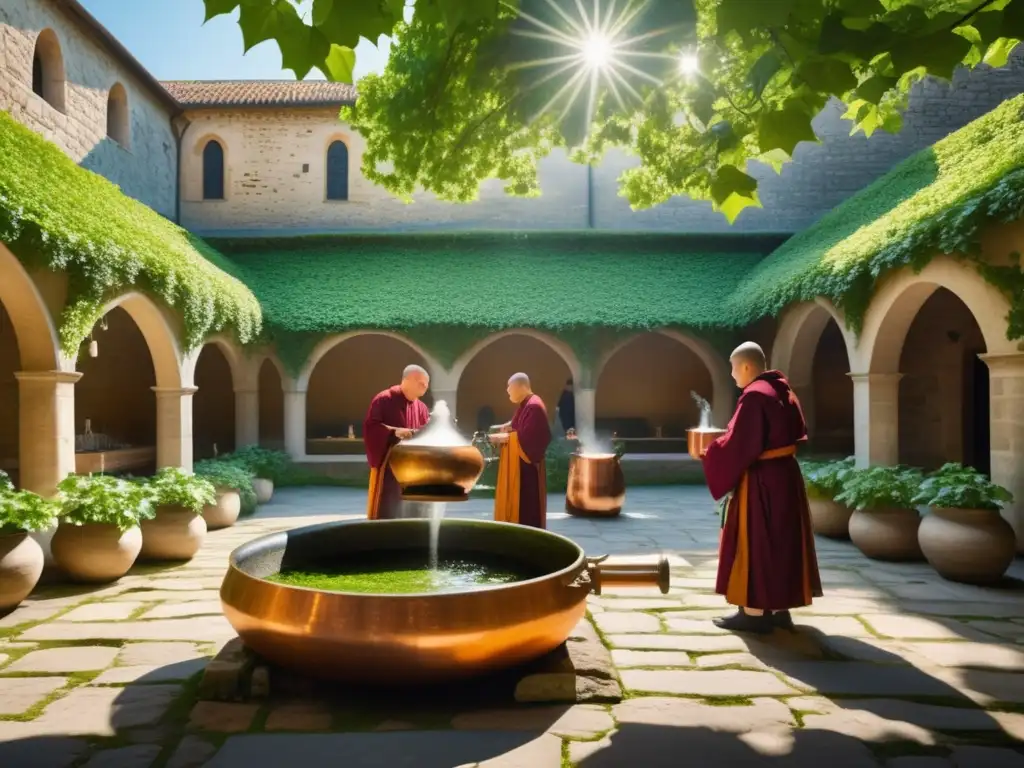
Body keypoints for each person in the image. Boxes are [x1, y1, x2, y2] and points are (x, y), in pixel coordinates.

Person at [700, 342, 823, 634]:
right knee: (783, 542)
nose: (732, 375)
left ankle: (753, 613)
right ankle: (780, 610)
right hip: (786, 478)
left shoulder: (754, 396)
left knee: (755, 541)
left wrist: (711, 451)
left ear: (745, 366)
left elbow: (741, 444)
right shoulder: (784, 391)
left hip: (762, 481)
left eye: (732, 368)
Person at [363, 364, 431, 520]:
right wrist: (394, 432)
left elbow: (425, 432)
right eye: (421, 383)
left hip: (415, 468)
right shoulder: (384, 399)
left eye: (427, 384)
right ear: (407, 380)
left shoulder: (422, 408)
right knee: (389, 509)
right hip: (390, 467)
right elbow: (371, 427)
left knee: (414, 513)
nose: (425, 387)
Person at [493, 372, 552, 528]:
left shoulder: (534, 406)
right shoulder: (526, 404)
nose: (507, 391)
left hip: (526, 470)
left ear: (521, 387)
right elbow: (518, 427)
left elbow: (531, 438)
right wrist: (508, 429)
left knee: (526, 509)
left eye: (509, 387)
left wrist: (507, 438)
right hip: (522, 468)